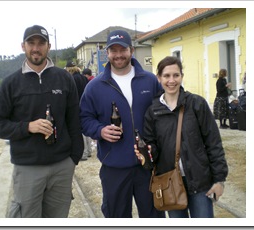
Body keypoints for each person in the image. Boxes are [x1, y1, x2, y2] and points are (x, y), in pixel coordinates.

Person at [0, 25, 84, 218]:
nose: (36, 48)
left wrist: (73, 158)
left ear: (48, 46)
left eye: (41, 43)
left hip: (61, 167)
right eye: (31, 43)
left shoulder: (64, 78)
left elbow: (74, 121)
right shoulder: (10, 83)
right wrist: (27, 127)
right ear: (23, 46)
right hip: (27, 168)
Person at [79, 29, 165, 218]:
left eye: (122, 49)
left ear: (131, 51)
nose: (118, 55)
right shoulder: (95, 86)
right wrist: (100, 131)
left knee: (153, 216)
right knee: (116, 216)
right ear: (107, 53)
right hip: (114, 166)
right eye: (113, 50)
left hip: (147, 165)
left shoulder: (150, 81)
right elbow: (84, 119)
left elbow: (164, 115)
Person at [136, 56, 228, 218]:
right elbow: (153, 148)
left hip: (200, 183)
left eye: (176, 75)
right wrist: (147, 153)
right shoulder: (153, 111)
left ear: (181, 76)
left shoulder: (197, 104)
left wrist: (219, 180)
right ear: (159, 78)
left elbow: (214, 143)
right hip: (170, 183)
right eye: (166, 76)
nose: (171, 80)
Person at [65, 62, 90, 161]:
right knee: (86, 129)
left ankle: (83, 153)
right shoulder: (84, 78)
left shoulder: (71, 79)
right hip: (87, 105)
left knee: (80, 130)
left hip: (77, 107)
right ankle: (88, 151)